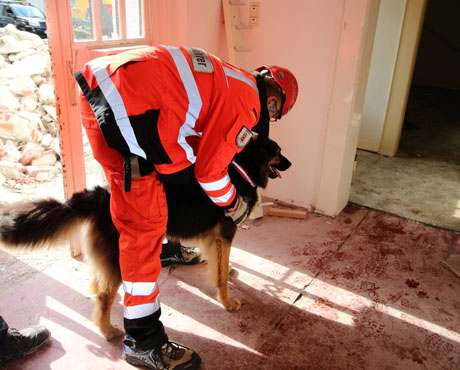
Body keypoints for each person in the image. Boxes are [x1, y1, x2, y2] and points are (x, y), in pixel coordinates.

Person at [75, 45, 298, 369]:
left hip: (105, 88)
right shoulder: (246, 105)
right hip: (124, 106)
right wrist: (233, 204)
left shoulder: (232, 78)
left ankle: (165, 248)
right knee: (144, 224)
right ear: (274, 100)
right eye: (276, 114)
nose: (271, 119)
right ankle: (142, 340)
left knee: (165, 182)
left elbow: (192, 136)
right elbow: (210, 172)